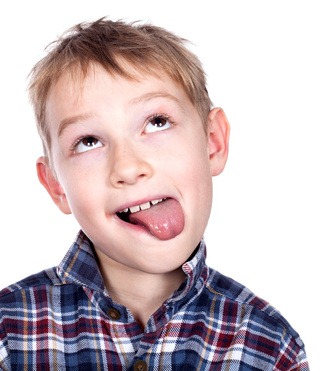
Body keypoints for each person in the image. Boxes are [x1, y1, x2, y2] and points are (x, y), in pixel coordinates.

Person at [0, 18, 309, 370]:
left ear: (213, 142)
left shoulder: (269, 345)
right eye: (89, 142)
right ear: (56, 185)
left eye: (157, 122)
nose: (129, 167)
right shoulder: (8, 333)